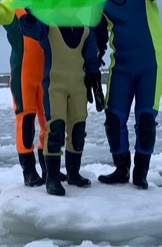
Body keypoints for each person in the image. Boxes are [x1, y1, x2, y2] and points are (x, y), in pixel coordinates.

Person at [95, 0, 162, 189]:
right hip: (122, 66)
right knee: (114, 118)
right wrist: (92, 67)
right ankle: (121, 168)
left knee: (146, 119)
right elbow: (98, 38)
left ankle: (140, 172)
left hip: (150, 62)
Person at [19, 12, 103, 196]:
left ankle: (73, 173)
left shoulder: (86, 31)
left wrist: (96, 84)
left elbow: (91, 60)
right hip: (54, 87)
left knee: (78, 130)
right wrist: (32, 16)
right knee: (55, 129)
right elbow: (30, 30)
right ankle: (52, 178)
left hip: (78, 87)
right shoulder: (48, 25)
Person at [0, 0, 47, 187]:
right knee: (26, 121)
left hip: (48, 74)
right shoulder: (11, 6)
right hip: (23, 75)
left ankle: (49, 168)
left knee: (51, 122)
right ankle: (29, 171)